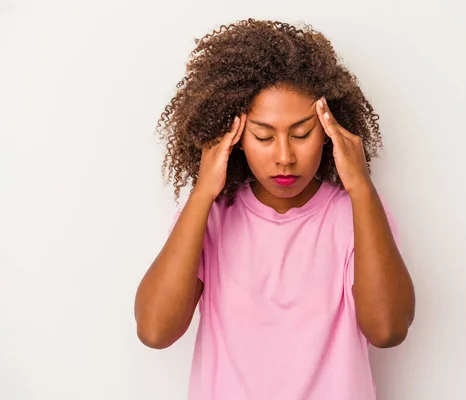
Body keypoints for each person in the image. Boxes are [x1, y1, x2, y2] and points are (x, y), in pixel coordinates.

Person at [134, 18, 416, 400]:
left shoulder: (357, 214)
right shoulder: (211, 216)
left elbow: (388, 329)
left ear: (331, 130)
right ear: (234, 138)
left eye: (301, 134)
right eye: (264, 136)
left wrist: (362, 188)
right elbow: (154, 331)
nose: (285, 157)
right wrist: (202, 194)